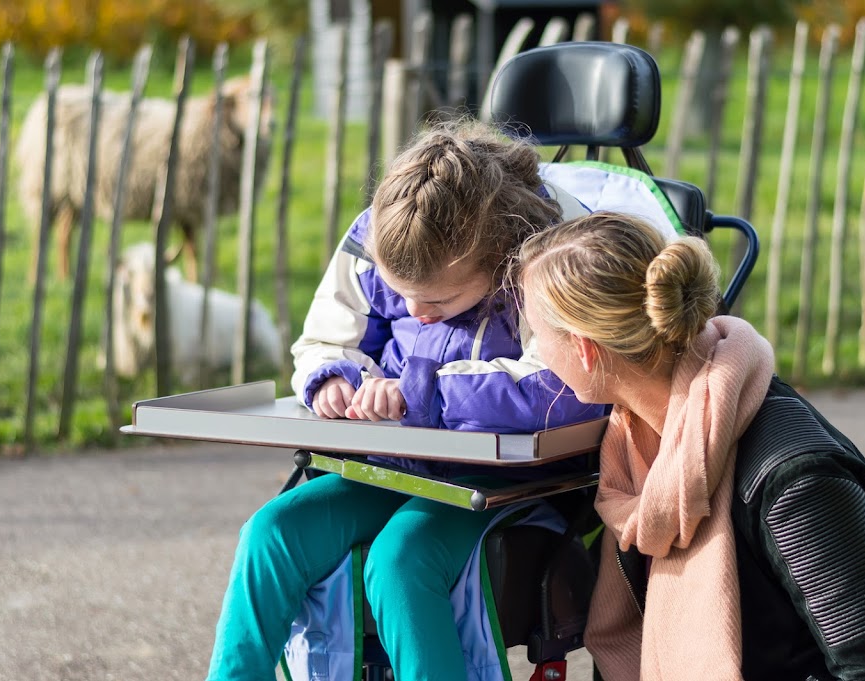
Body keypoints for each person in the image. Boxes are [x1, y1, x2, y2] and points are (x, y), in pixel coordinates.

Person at [204, 120, 607, 681]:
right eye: (401, 294)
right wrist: (332, 380)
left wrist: (426, 393)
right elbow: (326, 337)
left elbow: (566, 385)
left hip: (502, 483)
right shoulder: (387, 227)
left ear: (498, 260)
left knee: (401, 561)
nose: (415, 311)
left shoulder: (551, 252)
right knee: (271, 533)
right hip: (391, 465)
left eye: (439, 298)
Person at [516, 210, 865, 680]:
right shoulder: (635, 447)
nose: (532, 352)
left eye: (537, 334)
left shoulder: (793, 482)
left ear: (584, 349)